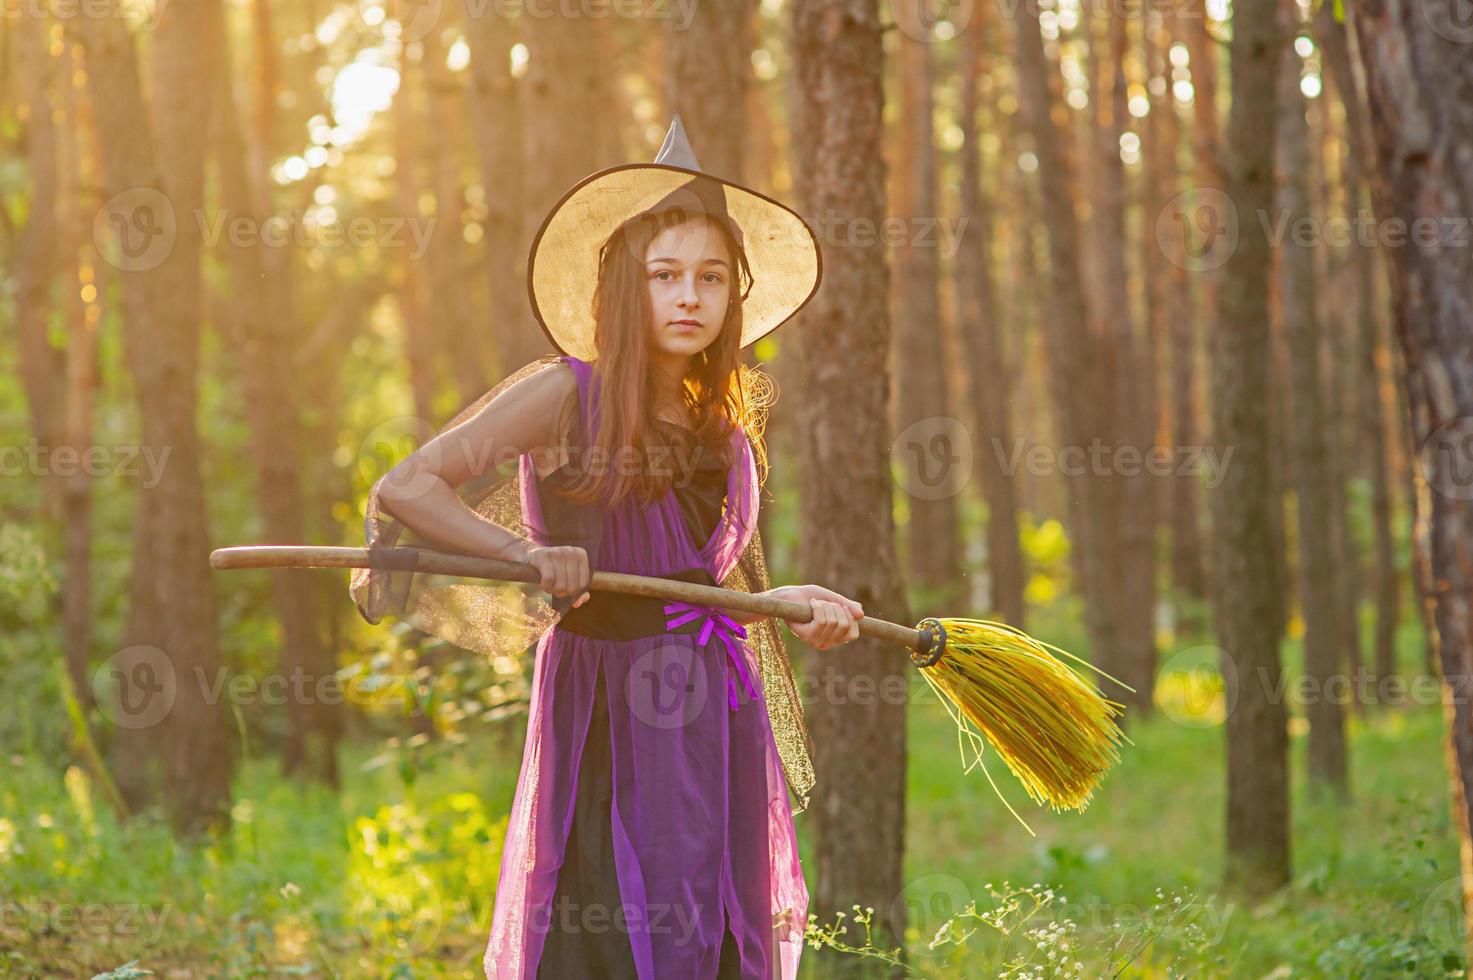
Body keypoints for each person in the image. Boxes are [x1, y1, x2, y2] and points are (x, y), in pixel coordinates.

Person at [355, 115, 860, 979]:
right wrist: (524, 559)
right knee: (604, 913)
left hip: (714, 703)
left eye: (709, 278)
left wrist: (795, 601)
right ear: (628, 288)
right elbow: (406, 487)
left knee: (708, 911)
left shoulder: (723, 424)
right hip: (604, 699)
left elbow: (710, 579)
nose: (689, 296)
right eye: (665, 276)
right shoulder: (564, 396)